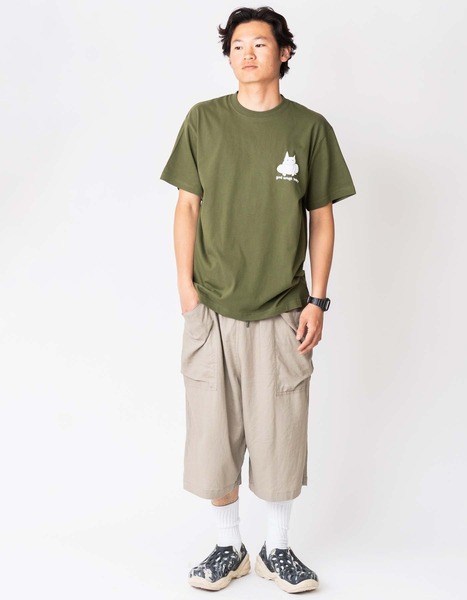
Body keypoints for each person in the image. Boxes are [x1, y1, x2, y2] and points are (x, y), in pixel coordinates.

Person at [159, 6, 356, 594]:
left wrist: (318, 300)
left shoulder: (309, 128)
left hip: (282, 309)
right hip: (212, 309)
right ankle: (229, 548)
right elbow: (186, 207)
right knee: (213, 438)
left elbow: (322, 218)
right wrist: (187, 292)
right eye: (237, 45)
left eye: (260, 44)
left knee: (280, 436)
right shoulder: (204, 120)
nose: (247, 53)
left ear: (284, 52)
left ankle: (277, 549)